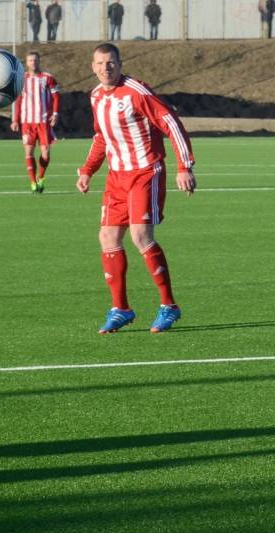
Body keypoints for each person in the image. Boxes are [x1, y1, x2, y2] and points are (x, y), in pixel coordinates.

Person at [76, 43, 196, 335]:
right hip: (117, 177)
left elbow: (170, 123)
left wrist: (184, 166)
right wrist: (88, 169)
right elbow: (101, 137)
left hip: (145, 171)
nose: (106, 68)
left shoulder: (136, 92)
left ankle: (168, 305)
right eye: (100, 63)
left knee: (140, 235)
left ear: (120, 64)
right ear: (93, 67)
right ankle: (121, 309)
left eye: (111, 62)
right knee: (107, 237)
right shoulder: (96, 96)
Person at [10, 51, 59, 194]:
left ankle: (41, 177)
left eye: (35, 60)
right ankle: (32, 182)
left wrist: (55, 114)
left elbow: (56, 97)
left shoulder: (48, 78)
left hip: (43, 121)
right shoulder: (21, 79)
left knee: (46, 153)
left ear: (39, 61)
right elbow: (18, 101)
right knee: (29, 152)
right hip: (27, 122)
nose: (33, 62)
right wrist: (15, 120)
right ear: (27, 62)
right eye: (30, 60)